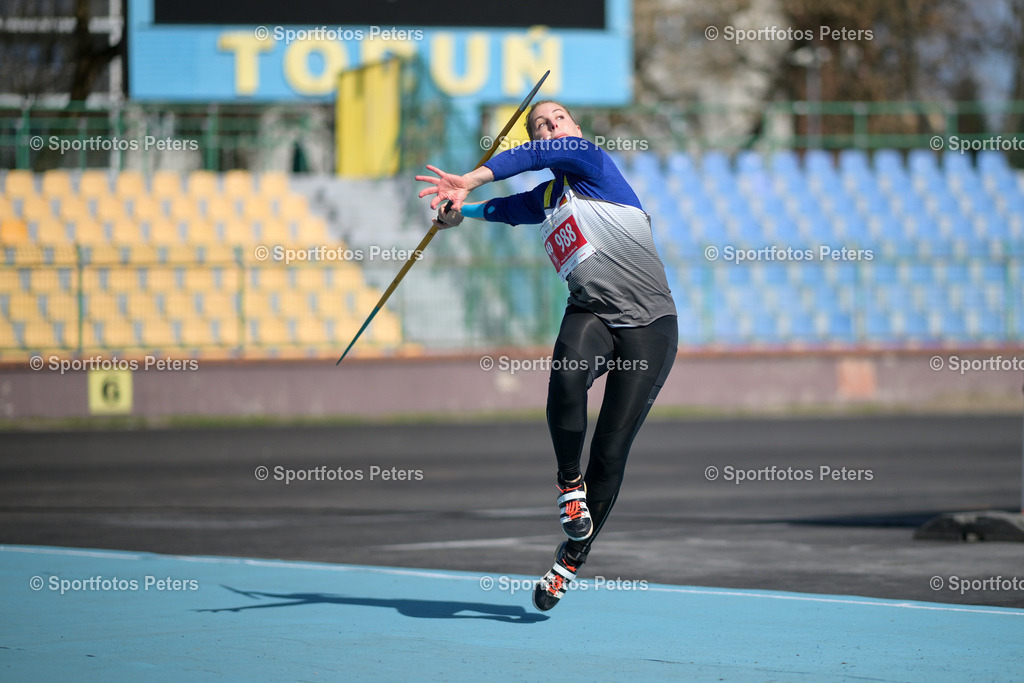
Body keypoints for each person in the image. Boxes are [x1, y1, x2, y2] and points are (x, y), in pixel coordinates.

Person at [416, 100, 677, 611]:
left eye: (558, 119)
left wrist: (470, 178)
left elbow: (531, 157)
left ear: (574, 128)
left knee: (611, 452)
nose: (551, 125)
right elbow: (508, 210)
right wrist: (460, 212)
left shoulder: (590, 160)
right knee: (565, 376)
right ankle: (568, 484)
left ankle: (572, 557)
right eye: (541, 124)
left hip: (650, 327)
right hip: (593, 312)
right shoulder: (550, 197)